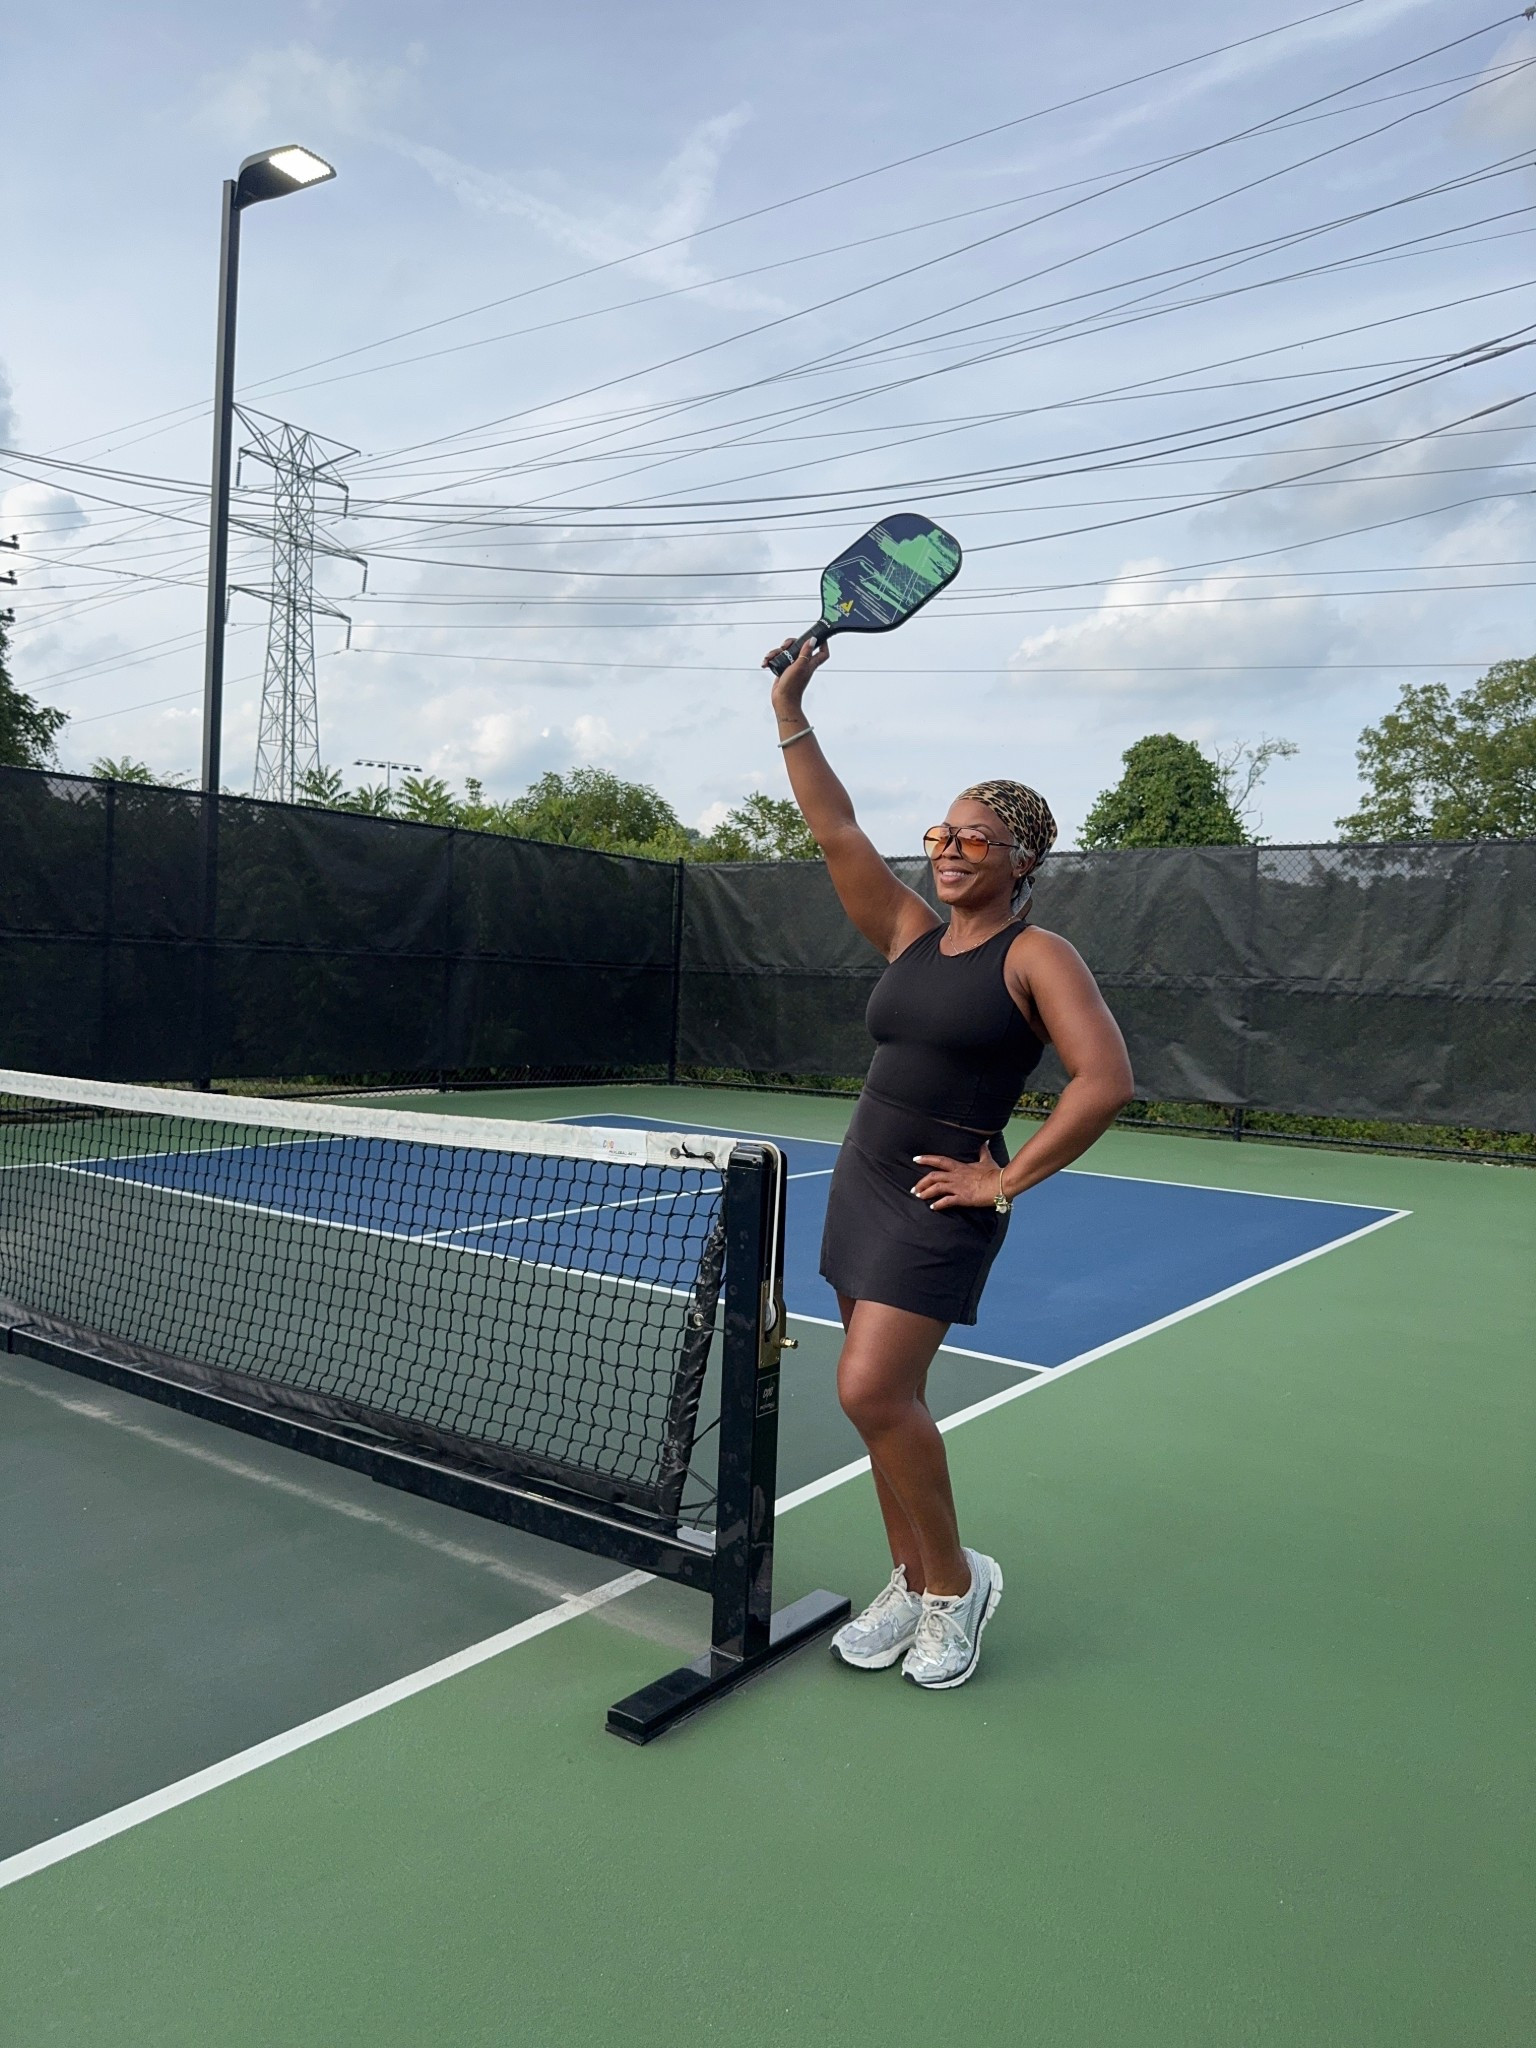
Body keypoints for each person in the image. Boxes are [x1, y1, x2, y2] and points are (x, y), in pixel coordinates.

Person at [765, 634, 1134, 1690]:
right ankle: (909, 1572)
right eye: (941, 831)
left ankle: (952, 1585)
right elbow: (832, 824)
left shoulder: (1037, 954)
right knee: (885, 1400)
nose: (950, 847)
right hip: (863, 1183)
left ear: (1022, 859)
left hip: (940, 1195)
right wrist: (792, 706)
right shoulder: (906, 932)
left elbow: (1103, 1079)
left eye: (977, 836)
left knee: (873, 1387)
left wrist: (1001, 1180)